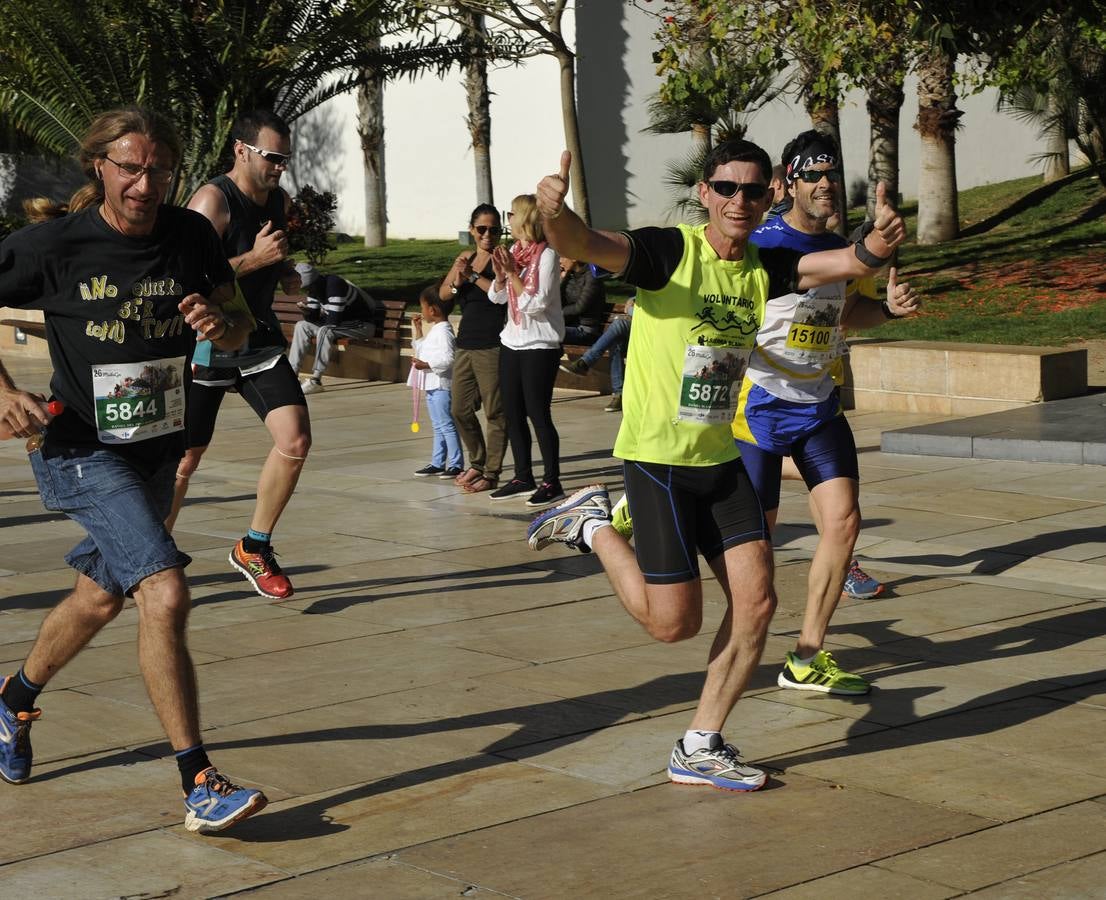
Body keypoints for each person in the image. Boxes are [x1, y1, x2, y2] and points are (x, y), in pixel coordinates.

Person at [526, 143, 905, 792]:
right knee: (673, 623)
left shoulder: (769, 264)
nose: (739, 201)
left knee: (756, 604)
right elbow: (585, 242)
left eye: (753, 192)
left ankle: (699, 744)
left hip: (721, 458)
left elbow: (845, 264)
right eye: (726, 188)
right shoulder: (670, 252)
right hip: (658, 462)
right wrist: (553, 215)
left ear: (767, 199)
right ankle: (592, 525)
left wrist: (879, 242)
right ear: (704, 193)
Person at [0, 106, 266, 833]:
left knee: (97, 599)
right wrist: (4, 392)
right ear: (100, 168)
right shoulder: (55, 245)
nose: (144, 185)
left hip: (153, 449)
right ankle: (198, 780)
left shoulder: (192, 235)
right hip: (78, 450)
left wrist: (221, 323)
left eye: (158, 170)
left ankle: (12, 701)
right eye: (129, 168)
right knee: (165, 590)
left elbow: (239, 319)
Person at [734, 130, 920, 695]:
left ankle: (807, 655)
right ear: (787, 181)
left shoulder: (839, 244)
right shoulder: (764, 243)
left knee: (843, 523)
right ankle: (642, 505)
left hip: (816, 405)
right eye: (811, 175)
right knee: (753, 556)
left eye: (831, 174)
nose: (823, 184)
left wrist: (885, 310)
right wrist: (871, 248)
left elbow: (845, 312)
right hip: (758, 404)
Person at [167, 110, 310, 601]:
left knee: (295, 440)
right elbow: (179, 276)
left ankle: (254, 545)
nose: (279, 168)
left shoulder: (279, 199)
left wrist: (284, 270)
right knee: (184, 462)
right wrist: (255, 261)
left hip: (258, 338)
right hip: (206, 340)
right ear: (241, 149)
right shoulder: (212, 201)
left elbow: (268, 255)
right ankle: (146, 554)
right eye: (272, 158)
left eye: (285, 159)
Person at [488, 194, 566, 508]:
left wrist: (511, 275)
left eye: (511, 213)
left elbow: (536, 305)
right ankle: (523, 476)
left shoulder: (547, 256)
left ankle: (552, 481)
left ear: (525, 219)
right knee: (512, 412)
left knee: (538, 413)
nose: (508, 218)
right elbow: (499, 300)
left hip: (540, 345)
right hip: (512, 341)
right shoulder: (514, 252)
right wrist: (499, 277)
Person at [443, 204, 508, 494]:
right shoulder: (465, 257)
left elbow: (502, 296)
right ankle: (477, 461)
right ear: (472, 230)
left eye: (494, 229)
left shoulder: (503, 259)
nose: (487, 234)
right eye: (481, 229)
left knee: (495, 412)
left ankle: (491, 472)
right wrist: (458, 281)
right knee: (459, 408)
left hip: (492, 343)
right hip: (465, 343)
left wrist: (471, 278)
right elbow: (444, 293)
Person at [289, 262, 378, 394]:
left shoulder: (335, 284)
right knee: (301, 326)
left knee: (325, 330)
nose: (305, 290)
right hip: (341, 324)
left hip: (362, 325)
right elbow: (314, 319)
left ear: (311, 282)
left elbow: (333, 320)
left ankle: (316, 381)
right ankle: (292, 376)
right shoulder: (314, 289)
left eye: (305, 286)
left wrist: (316, 316)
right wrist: (307, 312)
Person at [409, 285, 462, 478]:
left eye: (423, 307)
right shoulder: (436, 330)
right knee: (438, 424)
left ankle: (456, 464)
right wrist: (418, 329)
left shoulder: (444, 331)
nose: (422, 312)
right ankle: (438, 462)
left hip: (441, 385)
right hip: (432, 385)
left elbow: (449, 358)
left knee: (446, 425)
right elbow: (423, 348)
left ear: (433, 310)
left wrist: (427, 364)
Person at [559, 299, 631, 413]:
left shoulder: (592, 282)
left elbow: (581, 306)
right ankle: (619, 394)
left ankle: (586, 362)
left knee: (619, 324)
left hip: (650, 333)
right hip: (632, 333)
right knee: (616, 342)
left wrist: (632, 308)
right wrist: (632, 300)